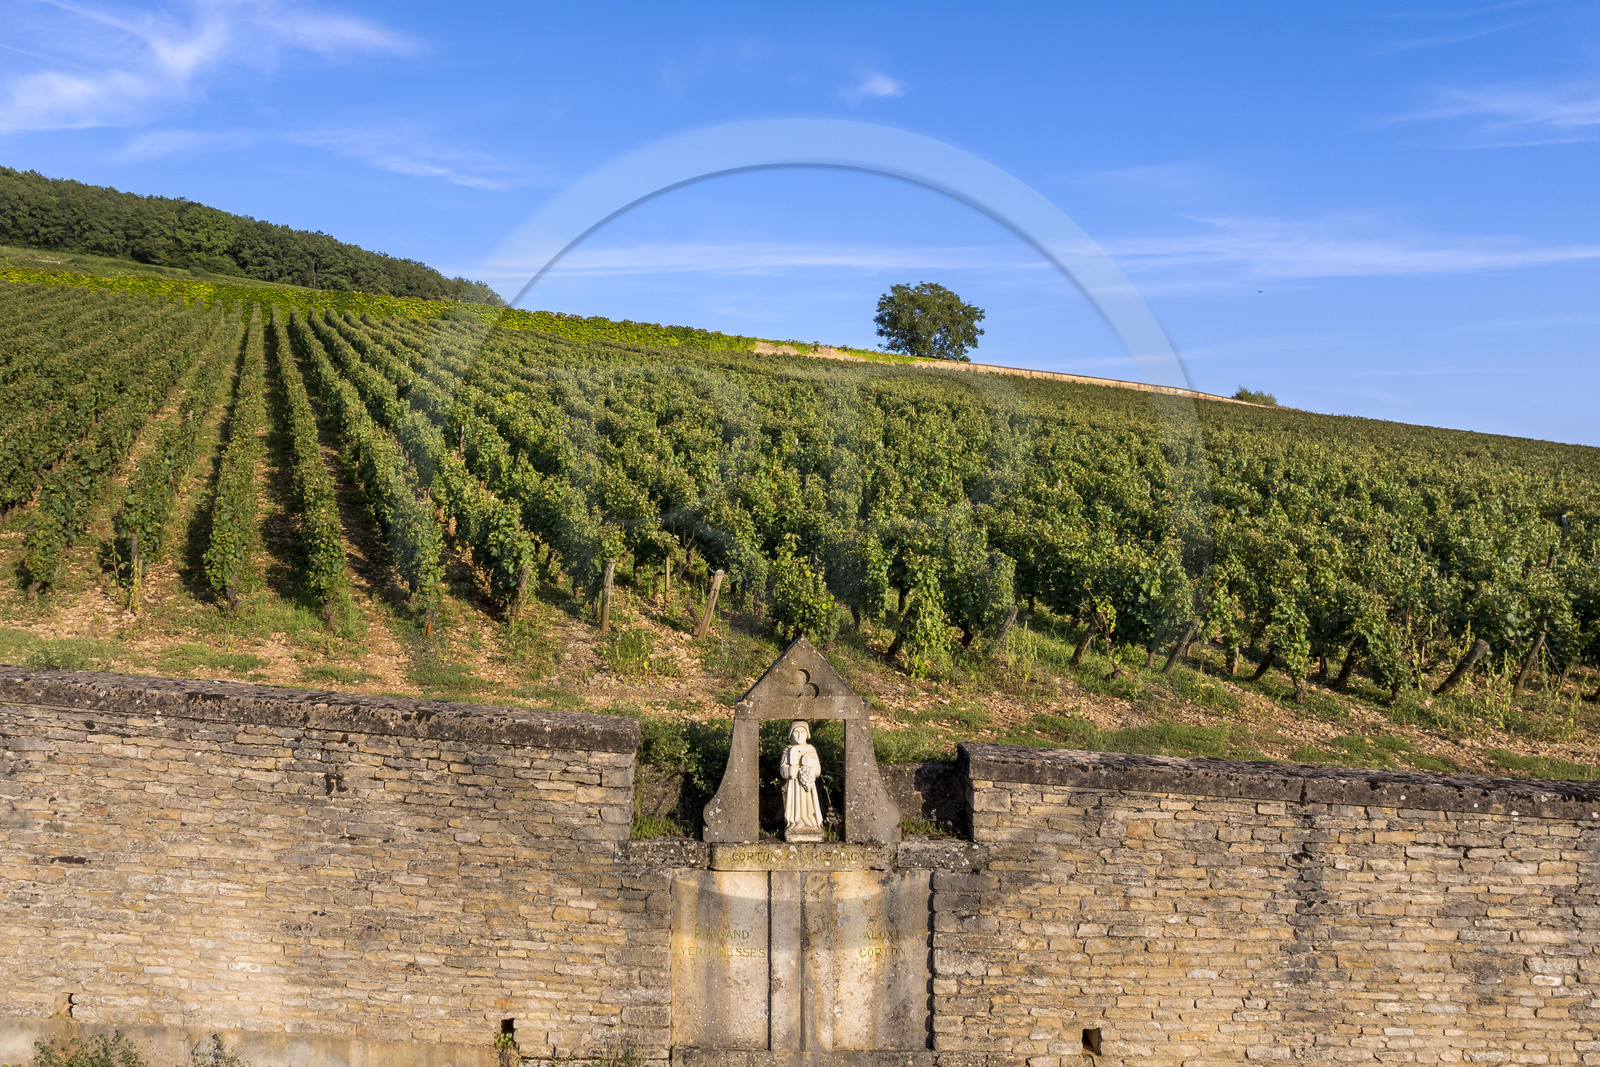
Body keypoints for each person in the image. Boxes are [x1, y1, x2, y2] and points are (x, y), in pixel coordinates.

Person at [779, 720, 824, 841]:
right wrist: (789, 771)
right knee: (795, 805)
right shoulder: (787, 750)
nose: (799, 735)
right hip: (794, 785)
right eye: (796, 732)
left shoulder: (811, 750)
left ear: (807, 734)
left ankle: (811, 824)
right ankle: (795, 823)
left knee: (809, 804)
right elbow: (782, 769)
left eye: (803, 732)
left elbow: (818, 771)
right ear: (791, 734)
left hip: (808, 785)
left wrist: (811, 763)